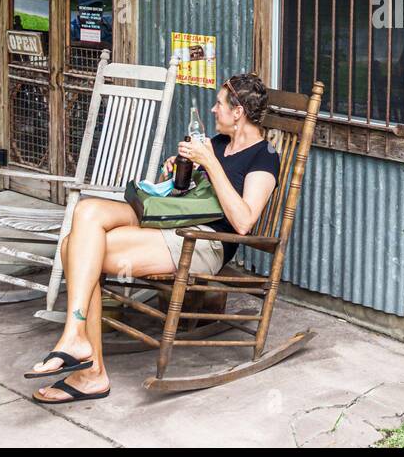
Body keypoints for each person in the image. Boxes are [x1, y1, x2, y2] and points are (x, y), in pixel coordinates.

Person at [27, 72, 280, 404]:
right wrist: (178, 171)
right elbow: (186, 194)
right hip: (172, 219)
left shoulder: (264, 157)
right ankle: (77, 342)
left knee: (71, 248)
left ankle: (89, 370)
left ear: (238, 113)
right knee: (87, 212)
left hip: (203, 240)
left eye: (219, 104)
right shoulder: (217, 143)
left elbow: (244, 222)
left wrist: (211, 165)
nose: (213, 109)